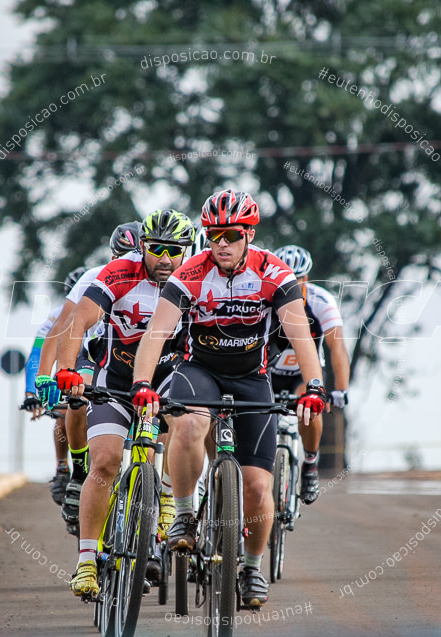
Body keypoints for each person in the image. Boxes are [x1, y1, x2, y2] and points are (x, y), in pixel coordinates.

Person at [130, 189, 328, 608]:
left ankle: (252, 568)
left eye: (232, 235)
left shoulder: (275, 274)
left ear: (249, 235)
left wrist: (314, 387)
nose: (222, 243)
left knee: (258, 487)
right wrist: (142, 384)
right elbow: (156, 333)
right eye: (214, 234)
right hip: (199, 370)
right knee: (187, 423)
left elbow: (300, 335)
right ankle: (184, 513)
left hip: (251, 377)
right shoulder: (189, 275)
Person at [54, 209, 196, 598]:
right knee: (105, 462)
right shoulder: (120, 272)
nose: (164, 259)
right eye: (156, 249)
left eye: (174, 250)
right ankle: (86, 562)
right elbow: (78, 322)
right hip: (115, 379)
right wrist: (66, 368)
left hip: (166, 379)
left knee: (184, 423)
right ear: (143, 247)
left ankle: (167, 494)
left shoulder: (197, 278)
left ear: (187, 251)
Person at [36, 224, 140, 533]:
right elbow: (63, 325)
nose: (127, 265)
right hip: (96, 354)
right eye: (121, 257)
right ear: (111, 256)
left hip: (141, 359)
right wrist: (45, 375)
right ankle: (80, 471)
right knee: (78, 398)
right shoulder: (94, 277)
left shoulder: (158, 279)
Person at [269, 245, 350, 504]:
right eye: (286, 279)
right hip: (269, 371)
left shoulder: (321, 301)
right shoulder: (265, 299)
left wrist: (340, 389)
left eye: (299, 279)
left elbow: (336, 346)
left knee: (308, 406)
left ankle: (310, 463)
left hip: (304, 374)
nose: (292, 285)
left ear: (307, 279)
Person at [22, 266, 85, 505]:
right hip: (69, 368)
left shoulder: (105, 308)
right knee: (63, 411)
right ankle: (62, 468)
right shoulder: (57, 317)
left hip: (92, 365)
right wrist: (32, 391)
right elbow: (37, 353)